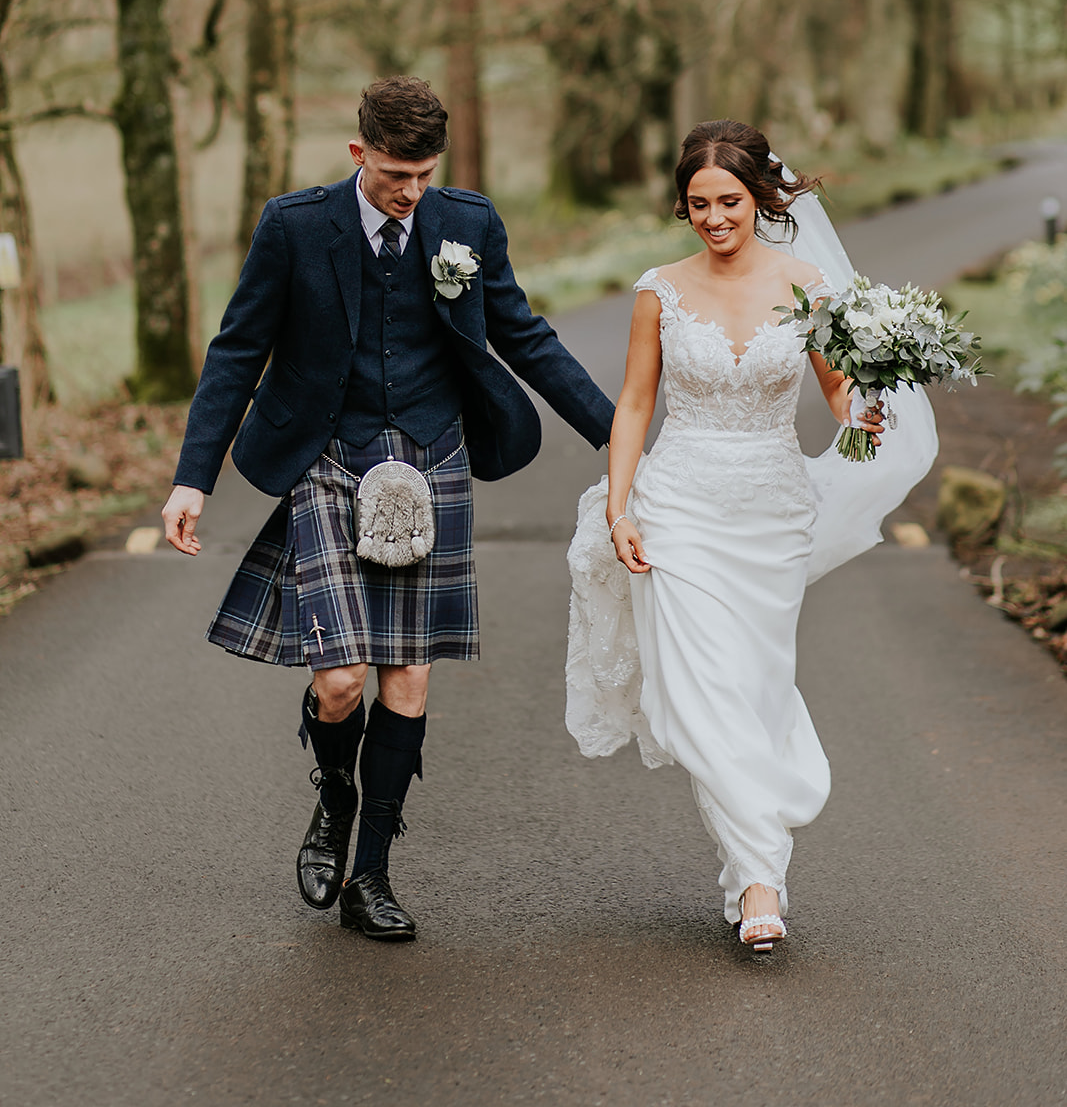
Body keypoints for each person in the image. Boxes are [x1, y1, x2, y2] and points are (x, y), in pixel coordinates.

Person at [163, 76, 614, 941]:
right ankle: (334, 796)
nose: (410, 191)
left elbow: (522, 333)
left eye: (423, 173)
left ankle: (370, 873)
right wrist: (194, 476)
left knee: (406, 676)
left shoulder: (468, 224)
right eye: (395, 174)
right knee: (337, 680)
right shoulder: (294, 225)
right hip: (327, 457)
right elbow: (236, 351)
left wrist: (615, 437)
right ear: (357, 151)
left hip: (432, 455)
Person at [565, 119, 937, 951]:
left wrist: (867, 415)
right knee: (692, 693)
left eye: (727, 200)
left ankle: (749, 876)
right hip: (678, 507)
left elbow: (842, 402)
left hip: (771, 510)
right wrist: (621, 508)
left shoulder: (808, 285)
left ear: (760, 198)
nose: (712, 217)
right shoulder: (658, 289)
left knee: (753, 688)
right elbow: (633, 406)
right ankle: (762, 882)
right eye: (696, 203)